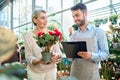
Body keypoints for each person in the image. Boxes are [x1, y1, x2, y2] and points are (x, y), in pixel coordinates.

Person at [69, 3, 110, 80]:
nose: (75, 19)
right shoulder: (73, 35)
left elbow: (106, 54)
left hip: (91, 76)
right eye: (73, 16)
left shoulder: (98, 32)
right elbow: (70, 59)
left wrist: (91, 56)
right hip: (74, 75)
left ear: (85, 13)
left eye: (77, 15)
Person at [23, 9, 62, 80]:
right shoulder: (28, 36)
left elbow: (59, 53)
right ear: (35, 20)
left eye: (46, 18)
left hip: (51, 71)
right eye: (43, 18)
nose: (46, 20)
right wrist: (39, 60)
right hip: (35, 73)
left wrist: (57, 55)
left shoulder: (52, 34)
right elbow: (28, 56)